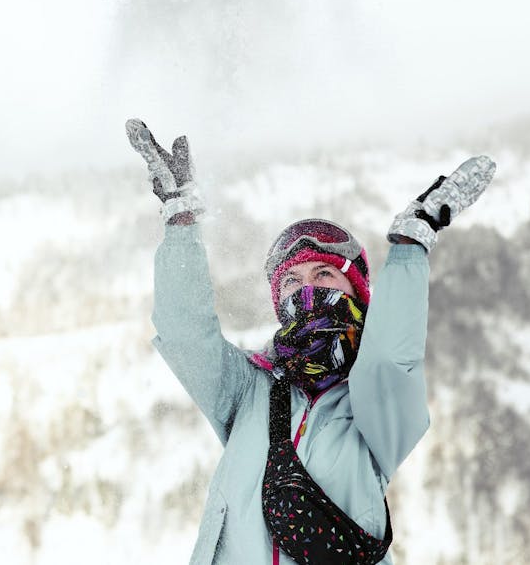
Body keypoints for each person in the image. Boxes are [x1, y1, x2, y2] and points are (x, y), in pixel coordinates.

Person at [125, 119, 496, 565]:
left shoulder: (370, 408)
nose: (309, 290)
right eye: (293, 281)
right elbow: (186, 334)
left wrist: (409, 244)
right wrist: (180, 221)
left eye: (325, 274)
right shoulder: (250, 389)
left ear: (356, 291)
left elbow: (389, 360)